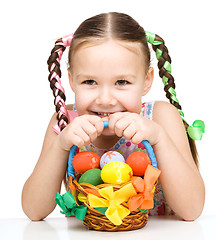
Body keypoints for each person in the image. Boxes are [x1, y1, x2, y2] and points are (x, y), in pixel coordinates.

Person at [22, 12, 205, 222]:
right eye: (90, 82)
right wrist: (61, 145)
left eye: (122, 82)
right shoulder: (64, 122)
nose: (106, 99)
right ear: (71, 80)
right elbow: (33, 211)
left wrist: (159, 138)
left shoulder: (160, 117)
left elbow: (192, 209)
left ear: (146, 81)